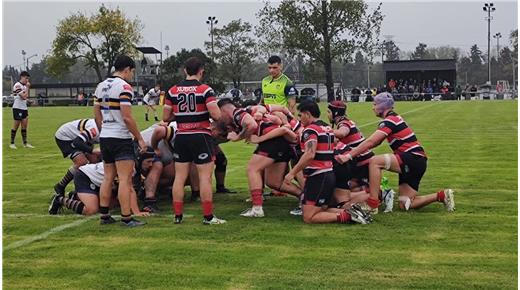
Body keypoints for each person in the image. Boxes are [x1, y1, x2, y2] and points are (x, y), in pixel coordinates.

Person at [335, 92, 455, 215]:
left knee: (375, 162)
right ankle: (441, 196)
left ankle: (372, 203)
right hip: (418, 161)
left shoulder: (389, 121)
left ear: (382, 106)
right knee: (405, 204)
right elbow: (375, 143)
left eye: (375, 104)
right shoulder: (394, 118)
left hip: (413, 158)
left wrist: (348, 156)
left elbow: (372, 142)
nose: (372, 107)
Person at [283, 101, 370, 225]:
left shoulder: (310, 130)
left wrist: (292, 173)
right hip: (328, 173)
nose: (299, 118)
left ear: (307, 114)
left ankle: (348, 216)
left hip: (318, 176)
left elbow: (309, 154)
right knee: (320, 208)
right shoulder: (326, 128)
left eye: (300, 115)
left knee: (309, 217)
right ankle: (353, 212)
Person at [163, 56, 225, 225]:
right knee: (205, 177)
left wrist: (183, 115)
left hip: (181, 136)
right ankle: (208, 216)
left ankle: (177, 216)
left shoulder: (172, 90)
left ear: (185, 71)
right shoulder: (205, 90)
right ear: (201, 71)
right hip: (200, 135)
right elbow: (216, 115)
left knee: (180, 177)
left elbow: (165, 117)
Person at [94, 55, 148, 227]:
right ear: (127, 69)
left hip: (105, 136)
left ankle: (104, 215)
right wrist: (139, 138)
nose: (132, 75)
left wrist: (104, 130)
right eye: (132, 72)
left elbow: (96, 115)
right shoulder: (124, 87)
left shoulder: (100, 86)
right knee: (125, 179)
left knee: (108, 177)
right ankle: (126, 217)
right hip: (120, 136)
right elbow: (127, 117)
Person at [49, 149, 156, 216]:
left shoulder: (132, 166)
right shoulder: (129, 166)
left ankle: (75, 196)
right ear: (139, 160)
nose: (151, 165)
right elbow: (129, 190)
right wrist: (137, 212)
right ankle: (59, 199)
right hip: (85, 176)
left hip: (98, 182)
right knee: (91, 210)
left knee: (112, 205)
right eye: (148, 162)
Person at [52, 119, 101, 198]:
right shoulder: (95, 129)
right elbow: (77, 142)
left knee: (95, 160)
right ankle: (60, 186)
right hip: (66, 137)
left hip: (82, 138)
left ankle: (85, 187)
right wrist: (92, 150)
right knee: (81, 162)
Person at [10, 71, 34, 149]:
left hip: (24, 108)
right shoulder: (17, 85)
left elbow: (25, 98)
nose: (27, 80)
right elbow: (23, 97)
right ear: (22, 77)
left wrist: (28, 101)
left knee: (24, 126)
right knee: (16, 126)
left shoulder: (24, 86)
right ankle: (12, 143)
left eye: (28, 78)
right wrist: (27, 88)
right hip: (17, 108)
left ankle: (25, 143)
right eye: (26, 78)